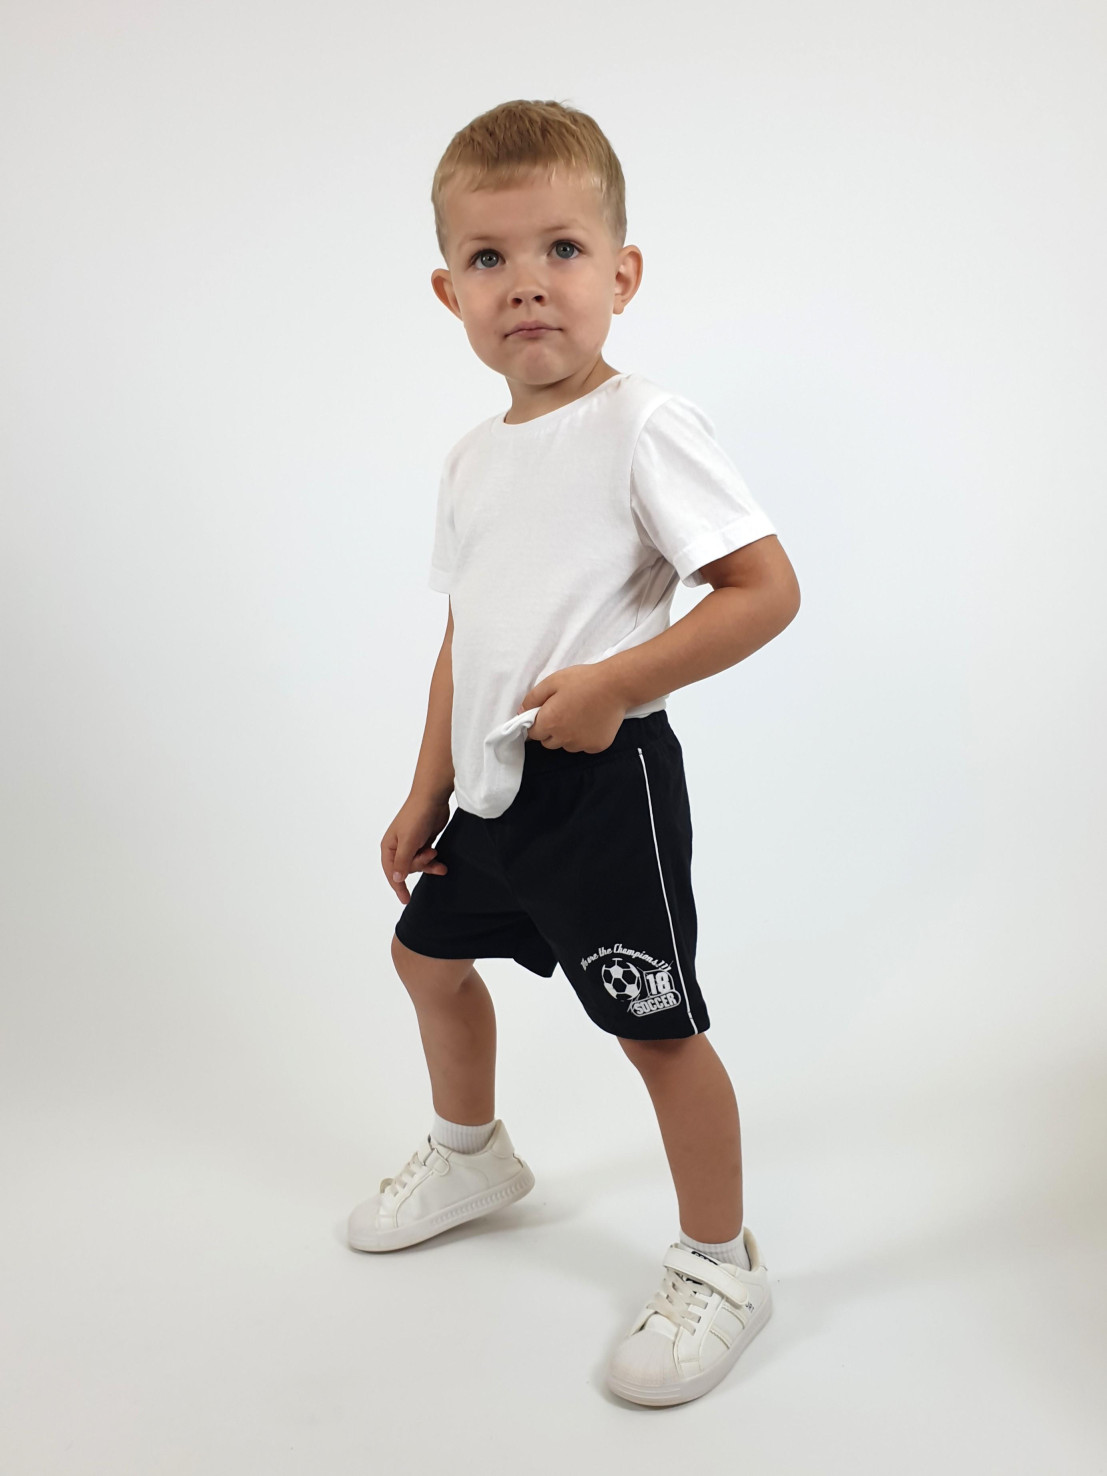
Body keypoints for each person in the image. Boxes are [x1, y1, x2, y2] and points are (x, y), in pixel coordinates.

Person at [348, 98, 801, 1408]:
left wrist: (616, 685)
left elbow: (765, 590)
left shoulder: (644, 426)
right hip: (493, 790)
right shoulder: (472, 460)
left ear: (622, 272)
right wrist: (426, 787)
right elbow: (467, 636)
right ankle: (473, 1155)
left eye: (562, 249)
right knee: (423, 956)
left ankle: (721, 1263)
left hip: (606, 790)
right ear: (450, 292)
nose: (528, 283)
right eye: (490, 258)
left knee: (655, 1030)